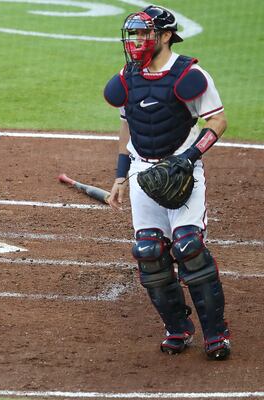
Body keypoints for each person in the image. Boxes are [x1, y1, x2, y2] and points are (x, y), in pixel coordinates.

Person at [104, 5, 230, 360]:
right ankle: (178, 328)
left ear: (163, 36)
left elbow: (217, 122)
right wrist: (120, 174)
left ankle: (216, 334)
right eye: (134, 34)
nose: (136, 41)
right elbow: (127, 124)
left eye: (144, 33)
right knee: (149, 252)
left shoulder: (190, 75)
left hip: (183, 173)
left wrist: (188, 159)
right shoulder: (128, 75)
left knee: (188, 247)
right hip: (142, 174)